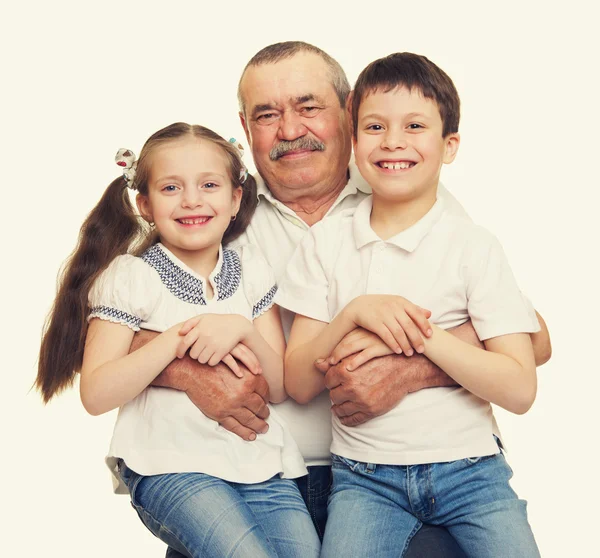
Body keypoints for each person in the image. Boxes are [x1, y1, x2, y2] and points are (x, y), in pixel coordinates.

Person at [133, 42, 552, 557]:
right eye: (268, 115)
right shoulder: (210, 204)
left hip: (402, 470)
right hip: (243, 479)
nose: (290, 130)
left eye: (309, 107)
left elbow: (533, 339)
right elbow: (109, 335)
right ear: (245, 128)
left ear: (346, 112)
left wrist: (411, 365)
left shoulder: (406, 190)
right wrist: (185, 372)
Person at [276, 52, 541, 557]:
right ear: (354, 143)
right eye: (375, 126)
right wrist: (354, 312)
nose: (393, 141)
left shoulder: (473, 247)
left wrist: (426, 338)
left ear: (450, 146)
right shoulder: (324, 245)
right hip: (365, 483)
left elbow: (520, 388)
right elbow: (298, 381)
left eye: (414, 126)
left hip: (472, 474)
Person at [36, 123, 321, 558]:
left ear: (235, 198)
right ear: (145, 204)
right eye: (171, 188)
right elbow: (96, 394)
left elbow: (280, 385)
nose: (192, 200)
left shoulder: (251, 271)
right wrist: (173, 341)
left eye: (209, 185)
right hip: (170, 466)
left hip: (261, 466)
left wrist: (241, 327)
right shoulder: (131, 278)